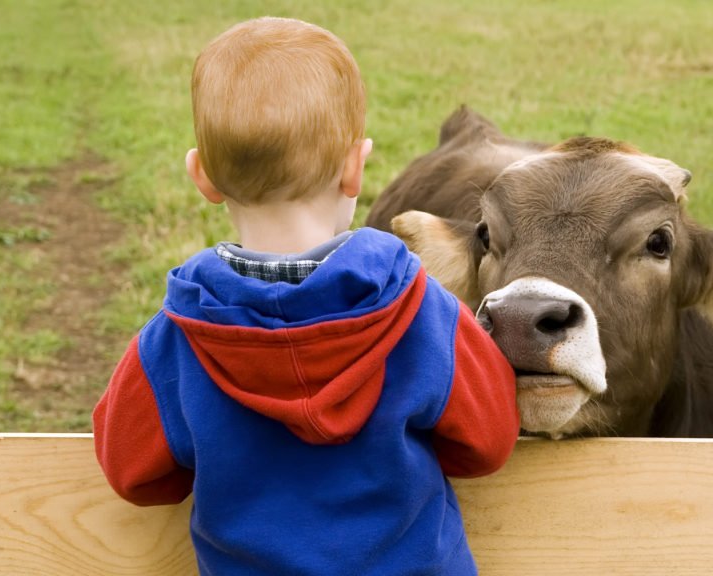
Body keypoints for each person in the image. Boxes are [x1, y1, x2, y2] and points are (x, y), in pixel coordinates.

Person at [92, 17, 519, 576]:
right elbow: (487, 442)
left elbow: (133, 473)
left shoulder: (178, 334)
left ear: (203, 175)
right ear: (353, 166)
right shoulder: (419, 307)